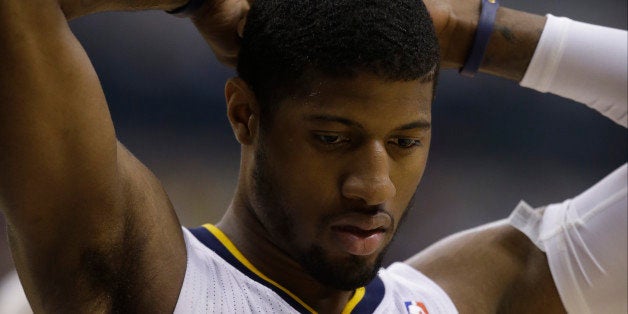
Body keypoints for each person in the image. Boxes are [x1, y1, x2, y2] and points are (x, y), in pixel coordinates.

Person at [0, 0, 625, 313]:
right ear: (245, 114)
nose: (372, 184)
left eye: (406, 142)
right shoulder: (149, 277)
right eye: (333, 138)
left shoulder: (462, 297)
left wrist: (471, 32)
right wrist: (202, 3)